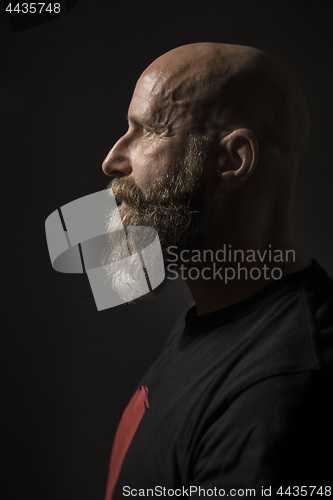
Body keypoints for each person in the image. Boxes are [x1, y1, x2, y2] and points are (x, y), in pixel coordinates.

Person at [101, 43, 333, 499]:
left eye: (147, 130)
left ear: (232, 161)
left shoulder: (280, 390)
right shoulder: (217, 317)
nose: (112, 160)